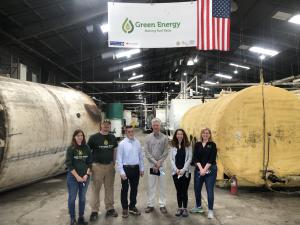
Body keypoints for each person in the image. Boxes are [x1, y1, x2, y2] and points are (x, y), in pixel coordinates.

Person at [88, 119, 118, 221]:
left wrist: (114, 162)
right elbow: (88, 152)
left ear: (110, 127)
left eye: (108, 125)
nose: (106, 127)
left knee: (109, 188)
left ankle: (110, 208)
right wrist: (90, 165)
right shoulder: (93, 138)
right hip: (97, 167)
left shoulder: (112, 137)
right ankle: (94, 211)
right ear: (101, 126)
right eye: (104, 125)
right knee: (96, 189)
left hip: (110, 166)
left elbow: (114, 149)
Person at [65, 129, 92, 225]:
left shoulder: (87, 148)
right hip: (73, 178)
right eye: (78, 135)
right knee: (72, 198)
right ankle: (73, 218)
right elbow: (69, 164)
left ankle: (81, 217)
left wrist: (86, 174)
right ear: (74, 137)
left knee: (82, 198)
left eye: (81, 135)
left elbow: (89, 163)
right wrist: (77, 177)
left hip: (85, 178)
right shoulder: (71, 148)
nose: (80, 137)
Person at [117, 126, 144, 218]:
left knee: (134, 188)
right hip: (126, 169)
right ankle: (125, 208)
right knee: (124, 189)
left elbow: (141, 156)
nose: (131, 133)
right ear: (126, 133)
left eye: (132, 131)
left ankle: (132, 206)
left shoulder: (137, 142)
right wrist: (121, 172)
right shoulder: (122, 144)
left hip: (136, 169)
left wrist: (142, 168)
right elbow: (119, 159)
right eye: (129, 132)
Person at [190, 128, 217, 219]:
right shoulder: (197, 144)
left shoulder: (212, 145)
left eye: (207, 133)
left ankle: (210, 210)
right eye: (204, 133)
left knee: (209, 190)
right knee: (197, 189)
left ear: (210, 135)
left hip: (210, 170)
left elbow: (211, 159)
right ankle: (198, 207)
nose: (205, 134)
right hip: (199, 170)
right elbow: (195, 158)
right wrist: (201, 169)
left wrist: (204, 170)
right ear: (201, 134)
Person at [144, 118, 169, 214]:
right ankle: (151, 204)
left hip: (161, 166)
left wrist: (159, 162)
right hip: (152, 166)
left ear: (160, 126)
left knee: (162, 185)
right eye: (154, 125)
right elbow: (147, 152)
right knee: (151, 185)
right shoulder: (147, 138)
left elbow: (166, 152)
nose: (156, 127)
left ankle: (162, 204)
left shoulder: (165, 138)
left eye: (157, 125)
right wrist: (155, 163)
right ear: (152, 126)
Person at [170, 129, 192, 217]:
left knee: (184, 191)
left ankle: (185, 208)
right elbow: (171, 159)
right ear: (176, 135)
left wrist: (183, 170)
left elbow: (189, 158)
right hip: (176, 173)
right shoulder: (172, 146)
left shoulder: (188, 145)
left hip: (185, 172)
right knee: (178, 191)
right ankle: (179, 208)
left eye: (181, 134)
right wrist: (176, 170)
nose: (180, 136)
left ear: (184, 135)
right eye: (178, 134)